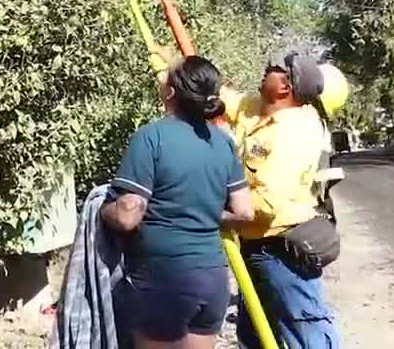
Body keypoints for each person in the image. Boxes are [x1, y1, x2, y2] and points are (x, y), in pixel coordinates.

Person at [102, 56, 254, 349]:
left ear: (171, 93)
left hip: (164, 279)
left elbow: (127, 216)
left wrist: (102, 209)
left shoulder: (151, 137)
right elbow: (245, 212)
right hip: (212, 278)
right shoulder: (223, 143)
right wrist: (205, 211)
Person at [220, 53, 341, 349]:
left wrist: (218, 210)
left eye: (273, 70)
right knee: (256, 337)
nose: (265, 71)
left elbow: (267, 201)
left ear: (286, 86)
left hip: (280, 251)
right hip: (252, 245)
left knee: (305, 335)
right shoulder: (257, 110)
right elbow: (222, 97)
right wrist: (174, 67)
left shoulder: (296, 130)